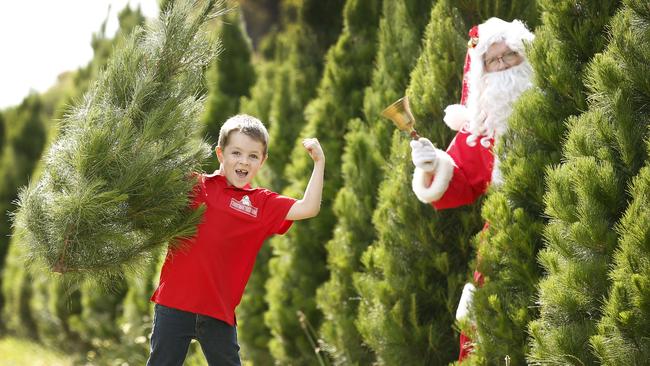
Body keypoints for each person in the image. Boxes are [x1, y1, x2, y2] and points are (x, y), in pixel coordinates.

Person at [147, 114, 325, 366]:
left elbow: (309, 207)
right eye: (236, 153)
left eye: (253, 155)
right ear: (220, 154)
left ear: (262, 161)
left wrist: (319, 162)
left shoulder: (261, 203)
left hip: (218, 314)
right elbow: (149, 180)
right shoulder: (193, 186)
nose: (244, 161)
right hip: (173, 304)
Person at [409, 18, 535, 362]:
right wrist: (432, 163)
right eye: (494, 61)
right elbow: (459, 182)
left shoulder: (559, 103)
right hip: (506, 236)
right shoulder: (483, 130)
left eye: (511, 56)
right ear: (483, 73)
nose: (504, 66)